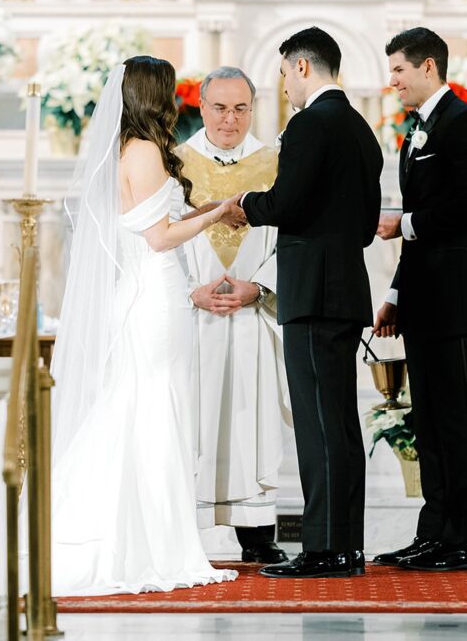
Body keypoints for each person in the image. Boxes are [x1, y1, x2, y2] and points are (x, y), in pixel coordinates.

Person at [49, 56, 240, 596]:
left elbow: (147, 226)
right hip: (155, 293)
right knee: (155, 408)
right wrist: (217, 212)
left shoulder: (123, 149)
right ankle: (156, 545)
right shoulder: (147, 151)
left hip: (139, 294)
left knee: (135, 404)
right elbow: (159, 238)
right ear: (154, 95)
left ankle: (139, 536)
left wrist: (196, 213)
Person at [233, 27, 383, 578]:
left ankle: (325, 550)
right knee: (340, 422)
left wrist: (245, 203)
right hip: (344, 289)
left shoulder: (309, 124)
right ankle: (346, 545)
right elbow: (367, 226)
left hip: (313, 294)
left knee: (320, 426)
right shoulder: (361, 130)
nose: (284, 86)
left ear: (301, 67)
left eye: (283, 73)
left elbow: (286, 202)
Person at [373, 26, 467, 572]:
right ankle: (434, 533)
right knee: (428, 420)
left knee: (454, 422)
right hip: (421, 298)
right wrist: (396, 295)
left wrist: (408, 223)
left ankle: (466, 539)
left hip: (451, 298)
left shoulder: (464, 124)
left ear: (428, 67)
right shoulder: (416, 130)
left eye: (399, 70)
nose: (392, 80)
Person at [176, 66, 291, 565]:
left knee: (252, 413)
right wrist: (190, 290)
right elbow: (153, 238)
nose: (230, 119)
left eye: (241, 108)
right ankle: (184, 529)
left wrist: (258, 286)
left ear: (254, 108)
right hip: (192, 317)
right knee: (191, 420)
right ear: (201, 108)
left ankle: (257, 533)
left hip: (252, 314)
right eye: (220, 107)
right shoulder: (175, 163)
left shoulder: (275, 162)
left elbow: (294, 236)